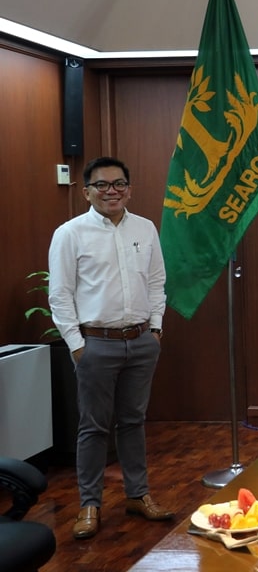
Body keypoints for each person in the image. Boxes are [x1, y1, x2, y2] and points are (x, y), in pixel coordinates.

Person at [47, 157, 173, 540]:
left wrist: (155, 330)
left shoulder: (145, 228)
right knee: (93, 428)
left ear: (129, 189)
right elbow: (60, 295)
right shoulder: (70, 233)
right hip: (95, 345)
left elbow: (156, 281)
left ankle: (138, 495)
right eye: (101, 185)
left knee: (134, 423)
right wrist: (76, 347)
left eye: (119, 184)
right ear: (86, 191)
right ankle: (90, 504)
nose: (111, 191)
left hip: (140, 341)